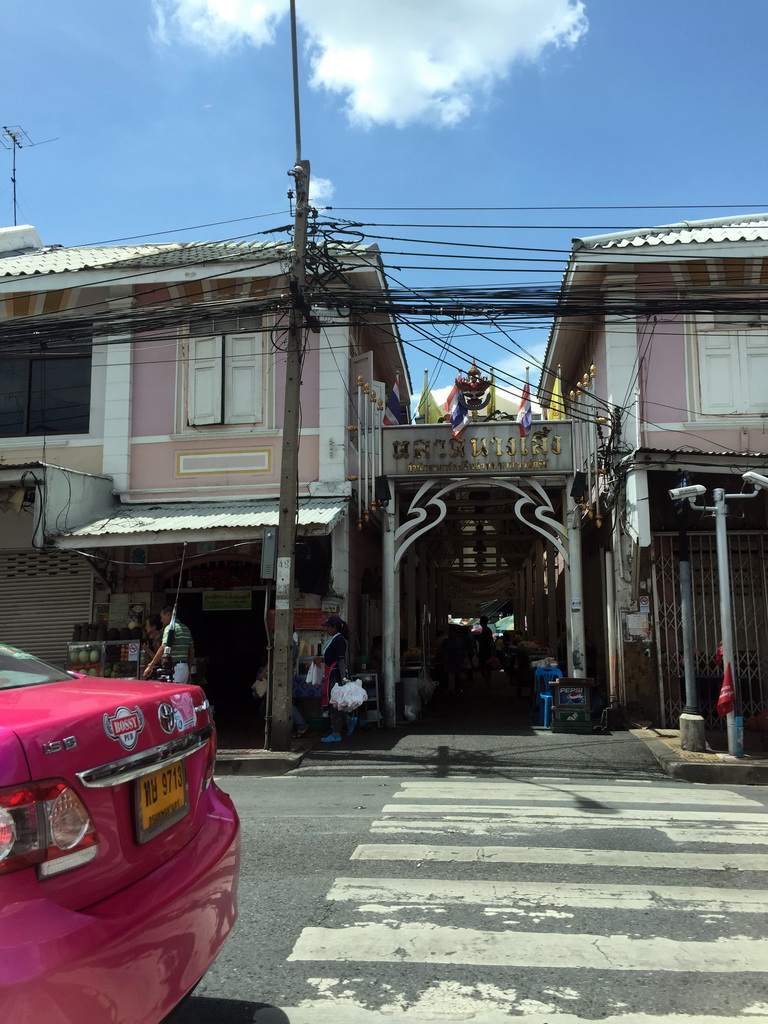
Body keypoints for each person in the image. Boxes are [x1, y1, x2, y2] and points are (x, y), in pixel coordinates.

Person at [314, 613, 349, 743]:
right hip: (332, 674)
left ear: (334, 627)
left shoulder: (339, 640)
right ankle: (349, 721)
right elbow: (332, 657)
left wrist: (343, 678)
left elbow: (340, 660)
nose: (326, 629)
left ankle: (336, 733)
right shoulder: (334, 639)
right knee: (337, 703)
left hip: (335, 676)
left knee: (335, 704)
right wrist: (322, 660)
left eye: (328, 627)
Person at [143, 605, 195, 684]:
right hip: (184, 668)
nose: (161, 620)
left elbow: (163, 646)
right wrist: (189, 669)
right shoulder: (186, 629)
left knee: (172, 694)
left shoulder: (170, 628)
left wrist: (150, 666)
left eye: (162, 616)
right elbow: (191, 651)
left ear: (168, 615)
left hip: (175, 669)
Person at [142, 613, 163, 677]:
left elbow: (160, 659)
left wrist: (148, 650)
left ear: (154, 626)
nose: (146, 627)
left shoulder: (161, 639)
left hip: (158, 671)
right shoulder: (148, 638)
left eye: (147, 625)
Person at [477, 616, 495, 686]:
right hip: (487, 651)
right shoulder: (488, 630)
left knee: (483, 667)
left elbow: (489, 641)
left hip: (484, 651)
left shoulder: (485, 630)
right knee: (487, 668)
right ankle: (488, 681)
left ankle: (487, 681)